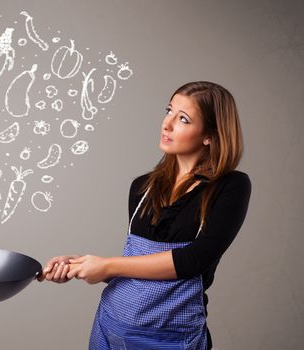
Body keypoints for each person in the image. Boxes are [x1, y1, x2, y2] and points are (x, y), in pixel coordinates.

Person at [39, 81, 252, 350]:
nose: (167, 124)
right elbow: (137, 265)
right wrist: (80, 264)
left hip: (171, 338)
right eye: (169, 111)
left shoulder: (230, 187)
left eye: (183, 119)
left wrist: (107, 265)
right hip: (110, 328)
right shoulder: (142, 186)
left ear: (209, 134)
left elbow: (194, 260)